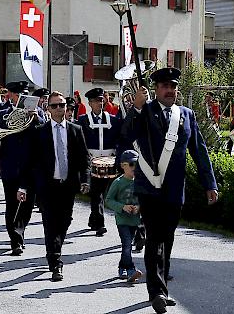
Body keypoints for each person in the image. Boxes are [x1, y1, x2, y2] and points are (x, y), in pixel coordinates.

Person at [118, 67, 218, 314]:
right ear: (155, 89)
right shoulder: (145, 111)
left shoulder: (186, 115)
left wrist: (210, 184)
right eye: (165, 87)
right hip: (149, 187)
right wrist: (137, 108)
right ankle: (157, 292)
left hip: (174, 189)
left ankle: (162, 286)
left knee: (168, 237)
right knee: (154, 237)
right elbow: (126, 136)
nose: (170, 91)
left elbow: (199, 151)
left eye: (173, 87)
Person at [17, 91, 90, 282]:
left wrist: (85, 180)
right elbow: (28, 162)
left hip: (68, 185)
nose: (59, 108)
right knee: (50, 224)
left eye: (62, 105)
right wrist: (23, 187)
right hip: (47, 187)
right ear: (48, 109)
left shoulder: (75, 130)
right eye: (55, 105)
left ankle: (56, 249)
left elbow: (84, 159)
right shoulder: (39, 132)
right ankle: (55, 262)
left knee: (65, 221)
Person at [0, 81, 38, 256]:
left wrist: (36, 118)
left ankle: (20, 230)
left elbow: (43, 130)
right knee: (12, 204)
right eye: (18, 94)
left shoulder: (36, 114)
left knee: (27, 205)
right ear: (10, 96)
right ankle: (15, 240)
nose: (21, 98)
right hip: (11, 166)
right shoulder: (1, 115)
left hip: (30, 166)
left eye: (24, 94)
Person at [78, 87, 122, 237]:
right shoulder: (83, 121)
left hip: (110, 162)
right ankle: (100, 224)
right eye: (96, 101)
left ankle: (94, 218)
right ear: (90, 103)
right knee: (97, 193)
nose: (100, 103)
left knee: (104, 192)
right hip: (92, 162)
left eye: (102, 100)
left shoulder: (114, 120)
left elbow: (119, 138)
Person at [105, 149, 143, 283]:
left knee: (127, 246)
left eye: (137, 164)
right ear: (123, 166)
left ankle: (122, 267)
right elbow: (108, 200)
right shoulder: (118, 182)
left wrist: (140, 207)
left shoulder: (140, 182)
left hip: (135, 220)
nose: (135, 168)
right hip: (122, 220)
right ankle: (131, 270)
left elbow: (145, 198)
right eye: (131, 164)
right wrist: (122, 207)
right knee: (127, 244)